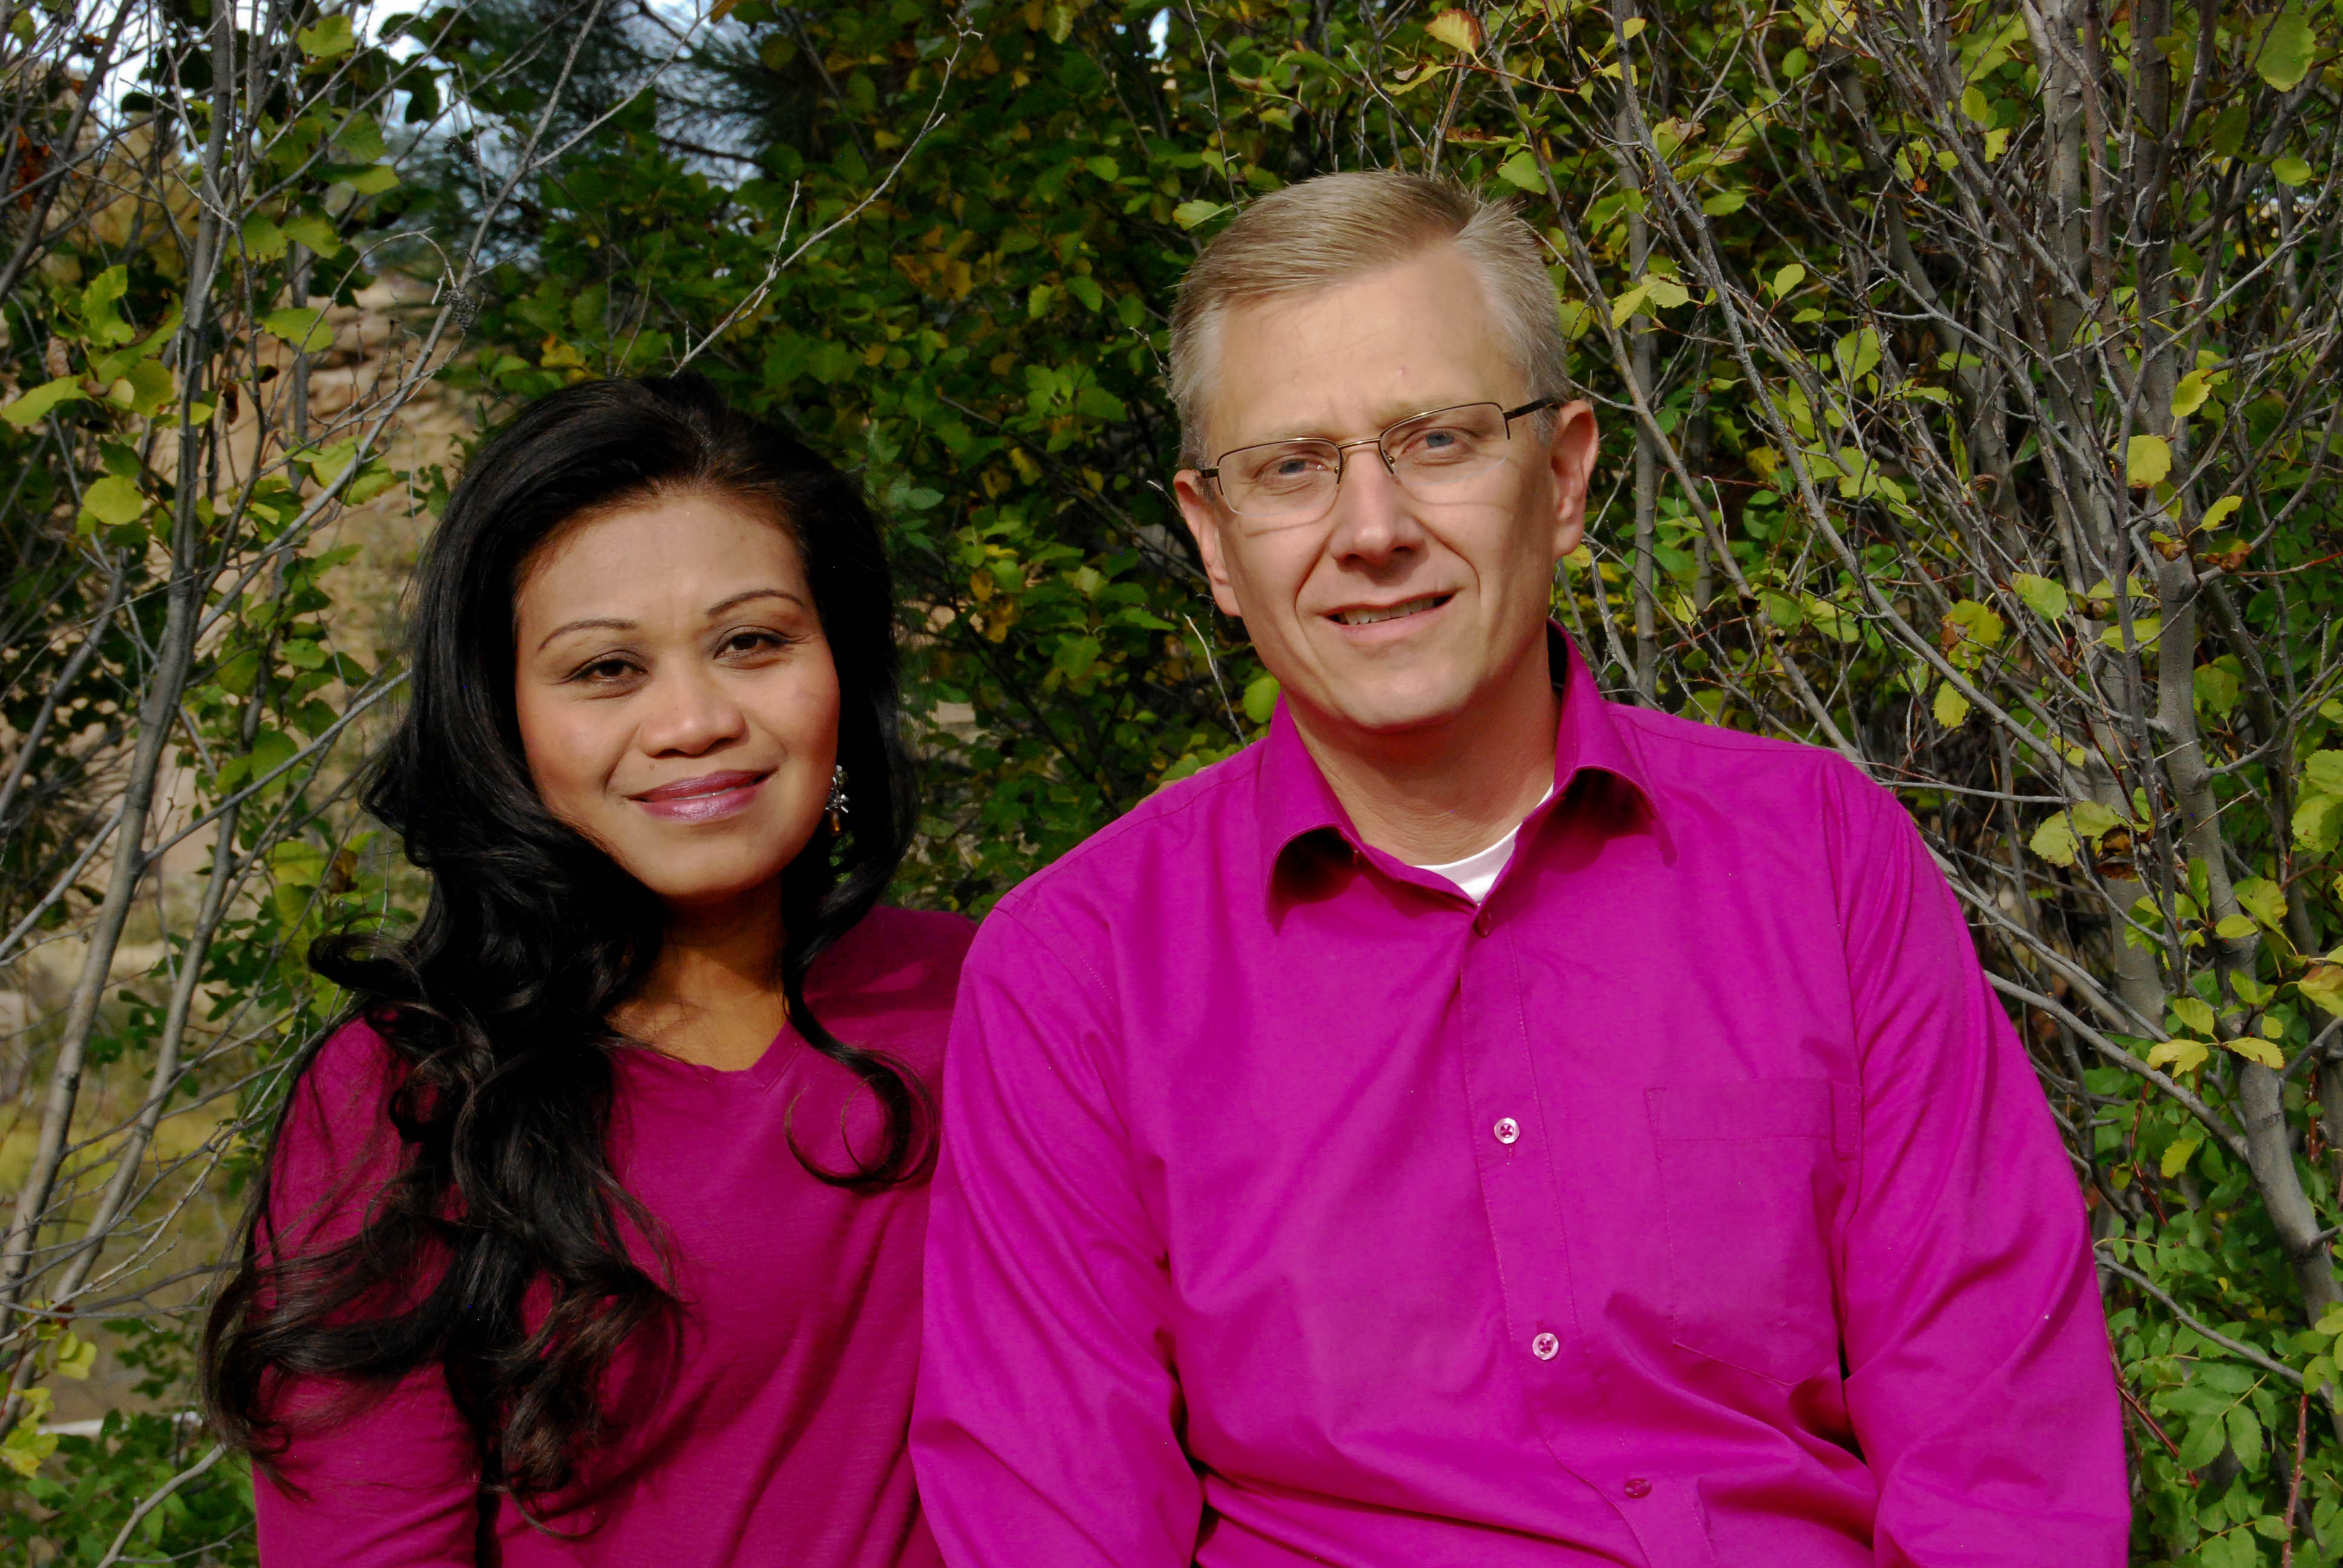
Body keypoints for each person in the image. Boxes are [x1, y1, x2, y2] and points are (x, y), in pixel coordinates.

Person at [912, 172, 2128, 1566]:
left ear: (1560, 478)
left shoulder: (1820, 858)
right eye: (1292, 468)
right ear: (1214, 539)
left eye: (1437, 440)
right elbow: (1053, 1518)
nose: (1372, 530)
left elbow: (1999, 1452)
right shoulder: (1076, 972)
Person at [203, 374, 970, 1566]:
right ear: (500, 717)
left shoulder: (1001, 996)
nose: (692, 721)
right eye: (606, 668)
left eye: (752, 642)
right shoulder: (407, 1097)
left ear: (844, 665)